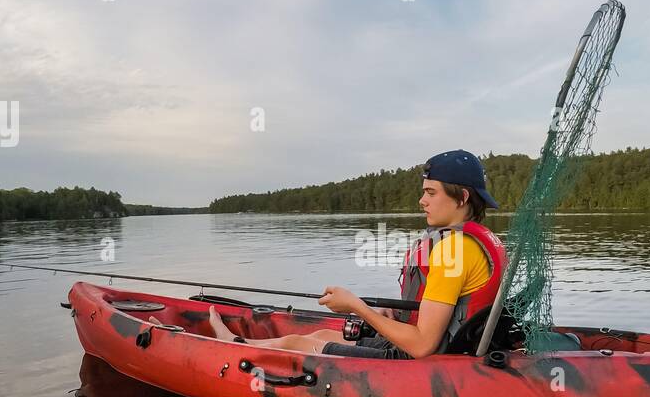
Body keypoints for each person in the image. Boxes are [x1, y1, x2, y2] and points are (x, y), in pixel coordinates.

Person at [205, 150, 505, 358]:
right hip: (443, 343)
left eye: (431, 192)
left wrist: (358, 307)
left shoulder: (454, 249)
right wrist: (392, 314)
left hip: (424, 358)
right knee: (321, 336)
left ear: (462, 197)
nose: (421, 200)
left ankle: (234, 346)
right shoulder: (469, 240)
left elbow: (423, 345)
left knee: (300, 344)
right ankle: (237, 342)